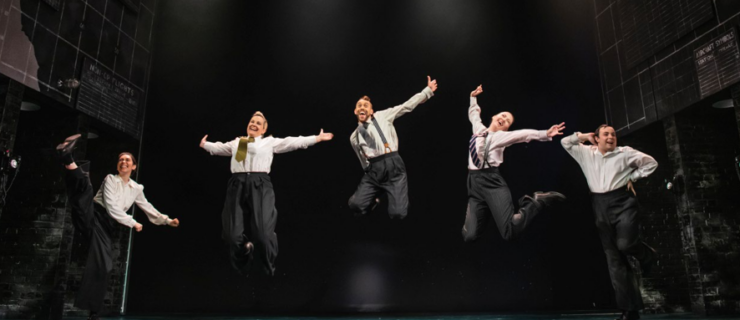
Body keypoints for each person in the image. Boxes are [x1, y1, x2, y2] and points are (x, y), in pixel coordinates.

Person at [56, 134, 179, 320]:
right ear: (118, 165)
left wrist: (167, 220)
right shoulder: (110, 180)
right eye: (121, 159)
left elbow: (147, 207)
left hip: (105, 226)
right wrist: (133, 222)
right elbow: (112, 207)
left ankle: (93, 311)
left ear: (134, 166)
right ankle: (66, 156)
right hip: (92, 214)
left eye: (127, 160)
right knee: (85, 188)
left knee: (105, 265)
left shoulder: (137, 188)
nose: (123, 162)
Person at [200, 111, 333, 276]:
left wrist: (315, 138)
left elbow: (291, 142)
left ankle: (268, 269)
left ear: (263, 130)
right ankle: (243, 260)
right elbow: (219, 148)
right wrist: (205, 145)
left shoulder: (269, 142)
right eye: (252, 121)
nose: (253, 124)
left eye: (258, 122)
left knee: (263, 233)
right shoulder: (237, 142)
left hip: (260, 183)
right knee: (230, 236)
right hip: (237, 184)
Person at [561, 124, 658, 320]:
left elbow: (651, 163)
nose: (611, 137)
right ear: (596, 138)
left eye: (613, 134)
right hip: (599, 204)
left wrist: (633, 176)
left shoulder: (625, 153)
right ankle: (630, 311)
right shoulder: (586, 152)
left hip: (623, 201)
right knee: (615, 262)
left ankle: (648, 256)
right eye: (606, 134)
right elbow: (565, 142)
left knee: (626, 244)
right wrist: (582, 136)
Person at [462, 85, 566, 242]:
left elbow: (522, 135)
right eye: (503, 115)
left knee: (509, 232)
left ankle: (536, 201)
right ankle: (487, 211)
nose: (503, 119)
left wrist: (545, 134)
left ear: (506, 128)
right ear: (494, 116)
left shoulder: (500, 137)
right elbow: (474, 115)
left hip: (492, 182)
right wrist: (473, 97)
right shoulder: (479, 130)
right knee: (469, 236)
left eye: (507, 121)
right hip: (474, 183)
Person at [348, 76, 438, 219]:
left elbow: (406, 106)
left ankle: (395, 196)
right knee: (355, 204)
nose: (362, 107)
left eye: (366, 106)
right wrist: (368, 169)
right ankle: (374, 200)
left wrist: (427, 91)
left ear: (371, 111)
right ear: (355, 111)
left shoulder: (383, 116)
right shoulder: (354, 137)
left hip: (393, 165)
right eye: (359, 106)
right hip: (374, 171)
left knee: (398, 214)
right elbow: (360, 156)